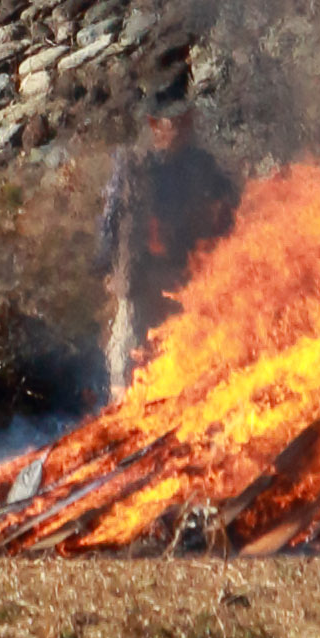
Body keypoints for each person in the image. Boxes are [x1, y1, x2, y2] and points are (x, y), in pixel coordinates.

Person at [94, 57, 238, 401]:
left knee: (185, 354)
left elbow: (229, 202)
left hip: (185, 276)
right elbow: (111, 218)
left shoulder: (200, 164)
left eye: (186, 120)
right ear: (154, 125)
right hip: (139, 277)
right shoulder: (133, 168)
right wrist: (104, 264)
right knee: (126, 354)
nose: (183, 128)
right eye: (175, 122)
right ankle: (120, 413)